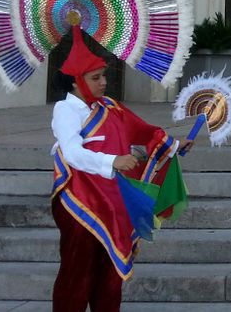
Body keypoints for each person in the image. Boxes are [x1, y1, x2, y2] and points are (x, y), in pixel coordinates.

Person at [50, 21, 192, 311]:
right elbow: (73, 153)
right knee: (77, 274)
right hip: (80, 203)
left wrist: (173, 145)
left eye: (103, 76)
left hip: (113, 201)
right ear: (76, 80)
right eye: (96, 77)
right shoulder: (64, 110)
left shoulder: (109, 107)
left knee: (110, 276)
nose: (103, 82)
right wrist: (112, 160)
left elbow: (142, 130)